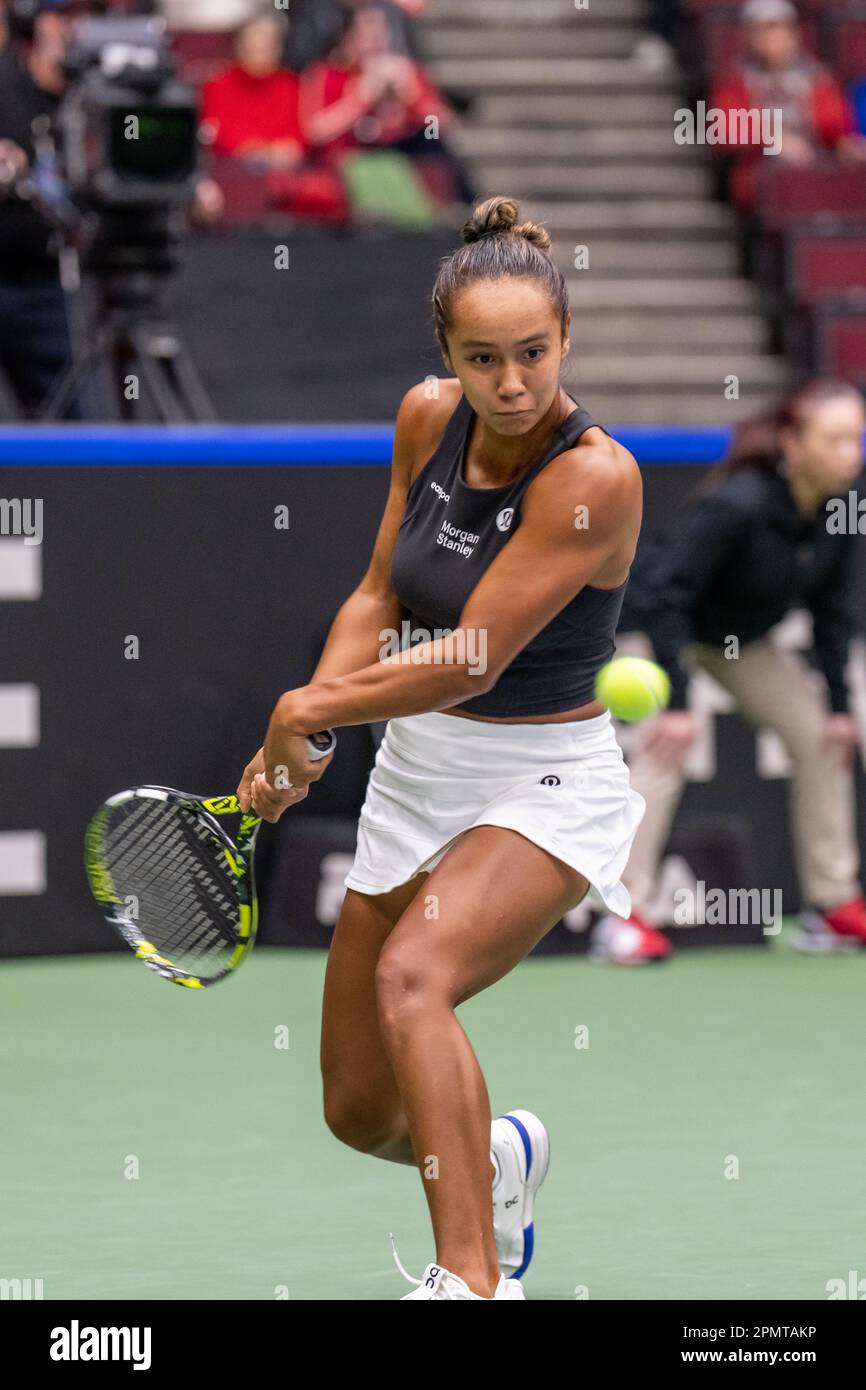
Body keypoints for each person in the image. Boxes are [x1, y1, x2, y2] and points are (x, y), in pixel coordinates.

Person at [235, 195, 646, 1301]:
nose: (511, 383)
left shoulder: (594, 477)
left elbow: (470, 655)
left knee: (416, 977)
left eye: (532, 354)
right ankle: (499, 1161)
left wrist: (306, 710)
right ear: (445, 358)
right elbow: (380, 592)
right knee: (357, 1108)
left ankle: (470, 1280)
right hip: (417, 773)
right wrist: (307, 722)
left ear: (563, 340)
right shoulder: (424, 421)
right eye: (482, 359)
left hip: (541, 780)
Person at [592, 379, 866, 965]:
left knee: (824, 740)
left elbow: (835, 612)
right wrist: (678, 702)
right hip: (669, 627)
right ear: (793, 443)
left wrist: (841, 706)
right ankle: (622, 918)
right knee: (665, 747)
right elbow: (668, 592)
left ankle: (832, 904)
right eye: (837, 439)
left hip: (744, 643)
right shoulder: (737, 504)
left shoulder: (844, 508)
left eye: (856, 439)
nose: (852, 453)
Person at [298, 1, 474, 209]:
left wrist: (412, 97)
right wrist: (360, 99)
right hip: (348, 157)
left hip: (397, 155)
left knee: (433, 146)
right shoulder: (328, 73)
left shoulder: (403, 72)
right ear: (348, 38)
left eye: (381, 34)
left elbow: (443, 123)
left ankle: (465, 208)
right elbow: (314, 131)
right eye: (368, 35)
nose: (376, 43)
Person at [710, 0, 866, 215]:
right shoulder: (735, 81)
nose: (772, 38)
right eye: (763, 30)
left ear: (794, 33)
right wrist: (772, 138)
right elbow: (726, 130)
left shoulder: (818, 78)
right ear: (747, 36)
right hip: (761, 175)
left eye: (779, 29)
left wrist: (846, 145)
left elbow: (836, 128)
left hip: (814, 167)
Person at [201, 14, 305, 168]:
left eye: (266, 49)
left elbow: (296, 138)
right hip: (231, 171)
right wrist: (255, 151)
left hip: (281, 172)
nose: (259, 56)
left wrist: (273, 152)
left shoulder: (289, 84)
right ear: (238, 48)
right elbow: (216, 134)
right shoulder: (218, 84)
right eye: (253, 49)